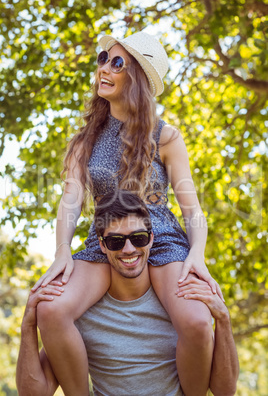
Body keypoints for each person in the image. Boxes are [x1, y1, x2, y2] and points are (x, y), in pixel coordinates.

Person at [32, 31, 224, 396]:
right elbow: (71, 200)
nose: (104, 67)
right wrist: (61, 252)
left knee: (198, 323)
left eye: (116, 62)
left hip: (163, 240)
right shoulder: (85, 139)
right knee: (51, 312)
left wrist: (196, 254)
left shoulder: (165, 137)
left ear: (136, 75)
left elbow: (191, 208)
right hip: (105, 241)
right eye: (103, 58)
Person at [17, 191, 239, 396]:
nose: (129, 249)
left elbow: (224, 391)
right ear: (102, 245)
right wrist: (28, 327)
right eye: (116, 241)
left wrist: (223, 319)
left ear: (151, 238)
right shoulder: (80, 313)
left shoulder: (180, 306)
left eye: (139, 237)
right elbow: (35, 393)